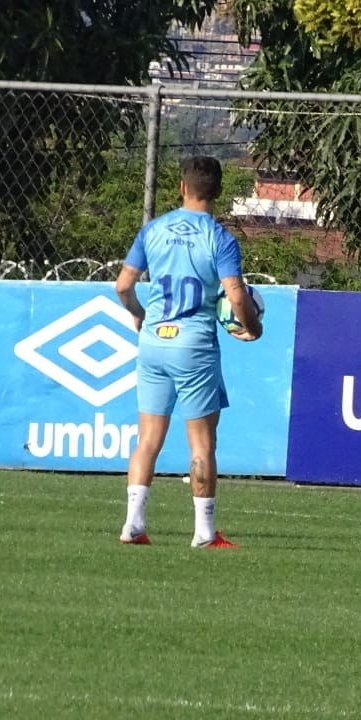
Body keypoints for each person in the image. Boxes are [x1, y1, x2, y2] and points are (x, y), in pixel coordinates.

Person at [115, 156, 262, 549]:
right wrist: (253, 326)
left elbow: (122, 286)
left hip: (153, 342)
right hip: (193, 344)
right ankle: (203, 532)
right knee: (201, 443)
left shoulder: (154, 230)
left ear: (182, 187)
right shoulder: (219, 238)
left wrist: (139, 315)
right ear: (217, 191)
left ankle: (133, 524)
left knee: (148, 439)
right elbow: (234, 294)